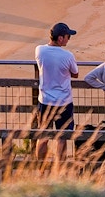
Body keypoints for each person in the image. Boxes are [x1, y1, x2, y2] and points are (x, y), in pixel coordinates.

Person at [34, 22, 79, 160]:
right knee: (62, 137)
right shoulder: (68, 56)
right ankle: (59, 170)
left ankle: (41, 168)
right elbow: (75, 73)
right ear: (60, 38)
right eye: (67, 37)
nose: (68, 39)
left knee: (43, 135)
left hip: (45, 100)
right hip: (64, 102)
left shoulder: (39, 50)